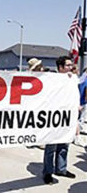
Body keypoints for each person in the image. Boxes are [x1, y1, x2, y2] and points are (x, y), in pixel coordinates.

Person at [42, 56, 76, 184]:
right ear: (60, 67)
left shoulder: (72, 79)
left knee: (64, 144)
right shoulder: (52, 80)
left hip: (67, 117)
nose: (71, 67)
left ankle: (61, 169)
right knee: (51, 146)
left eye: (71, 65)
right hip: (53, 117)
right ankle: (48, 172)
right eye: (67, 65)